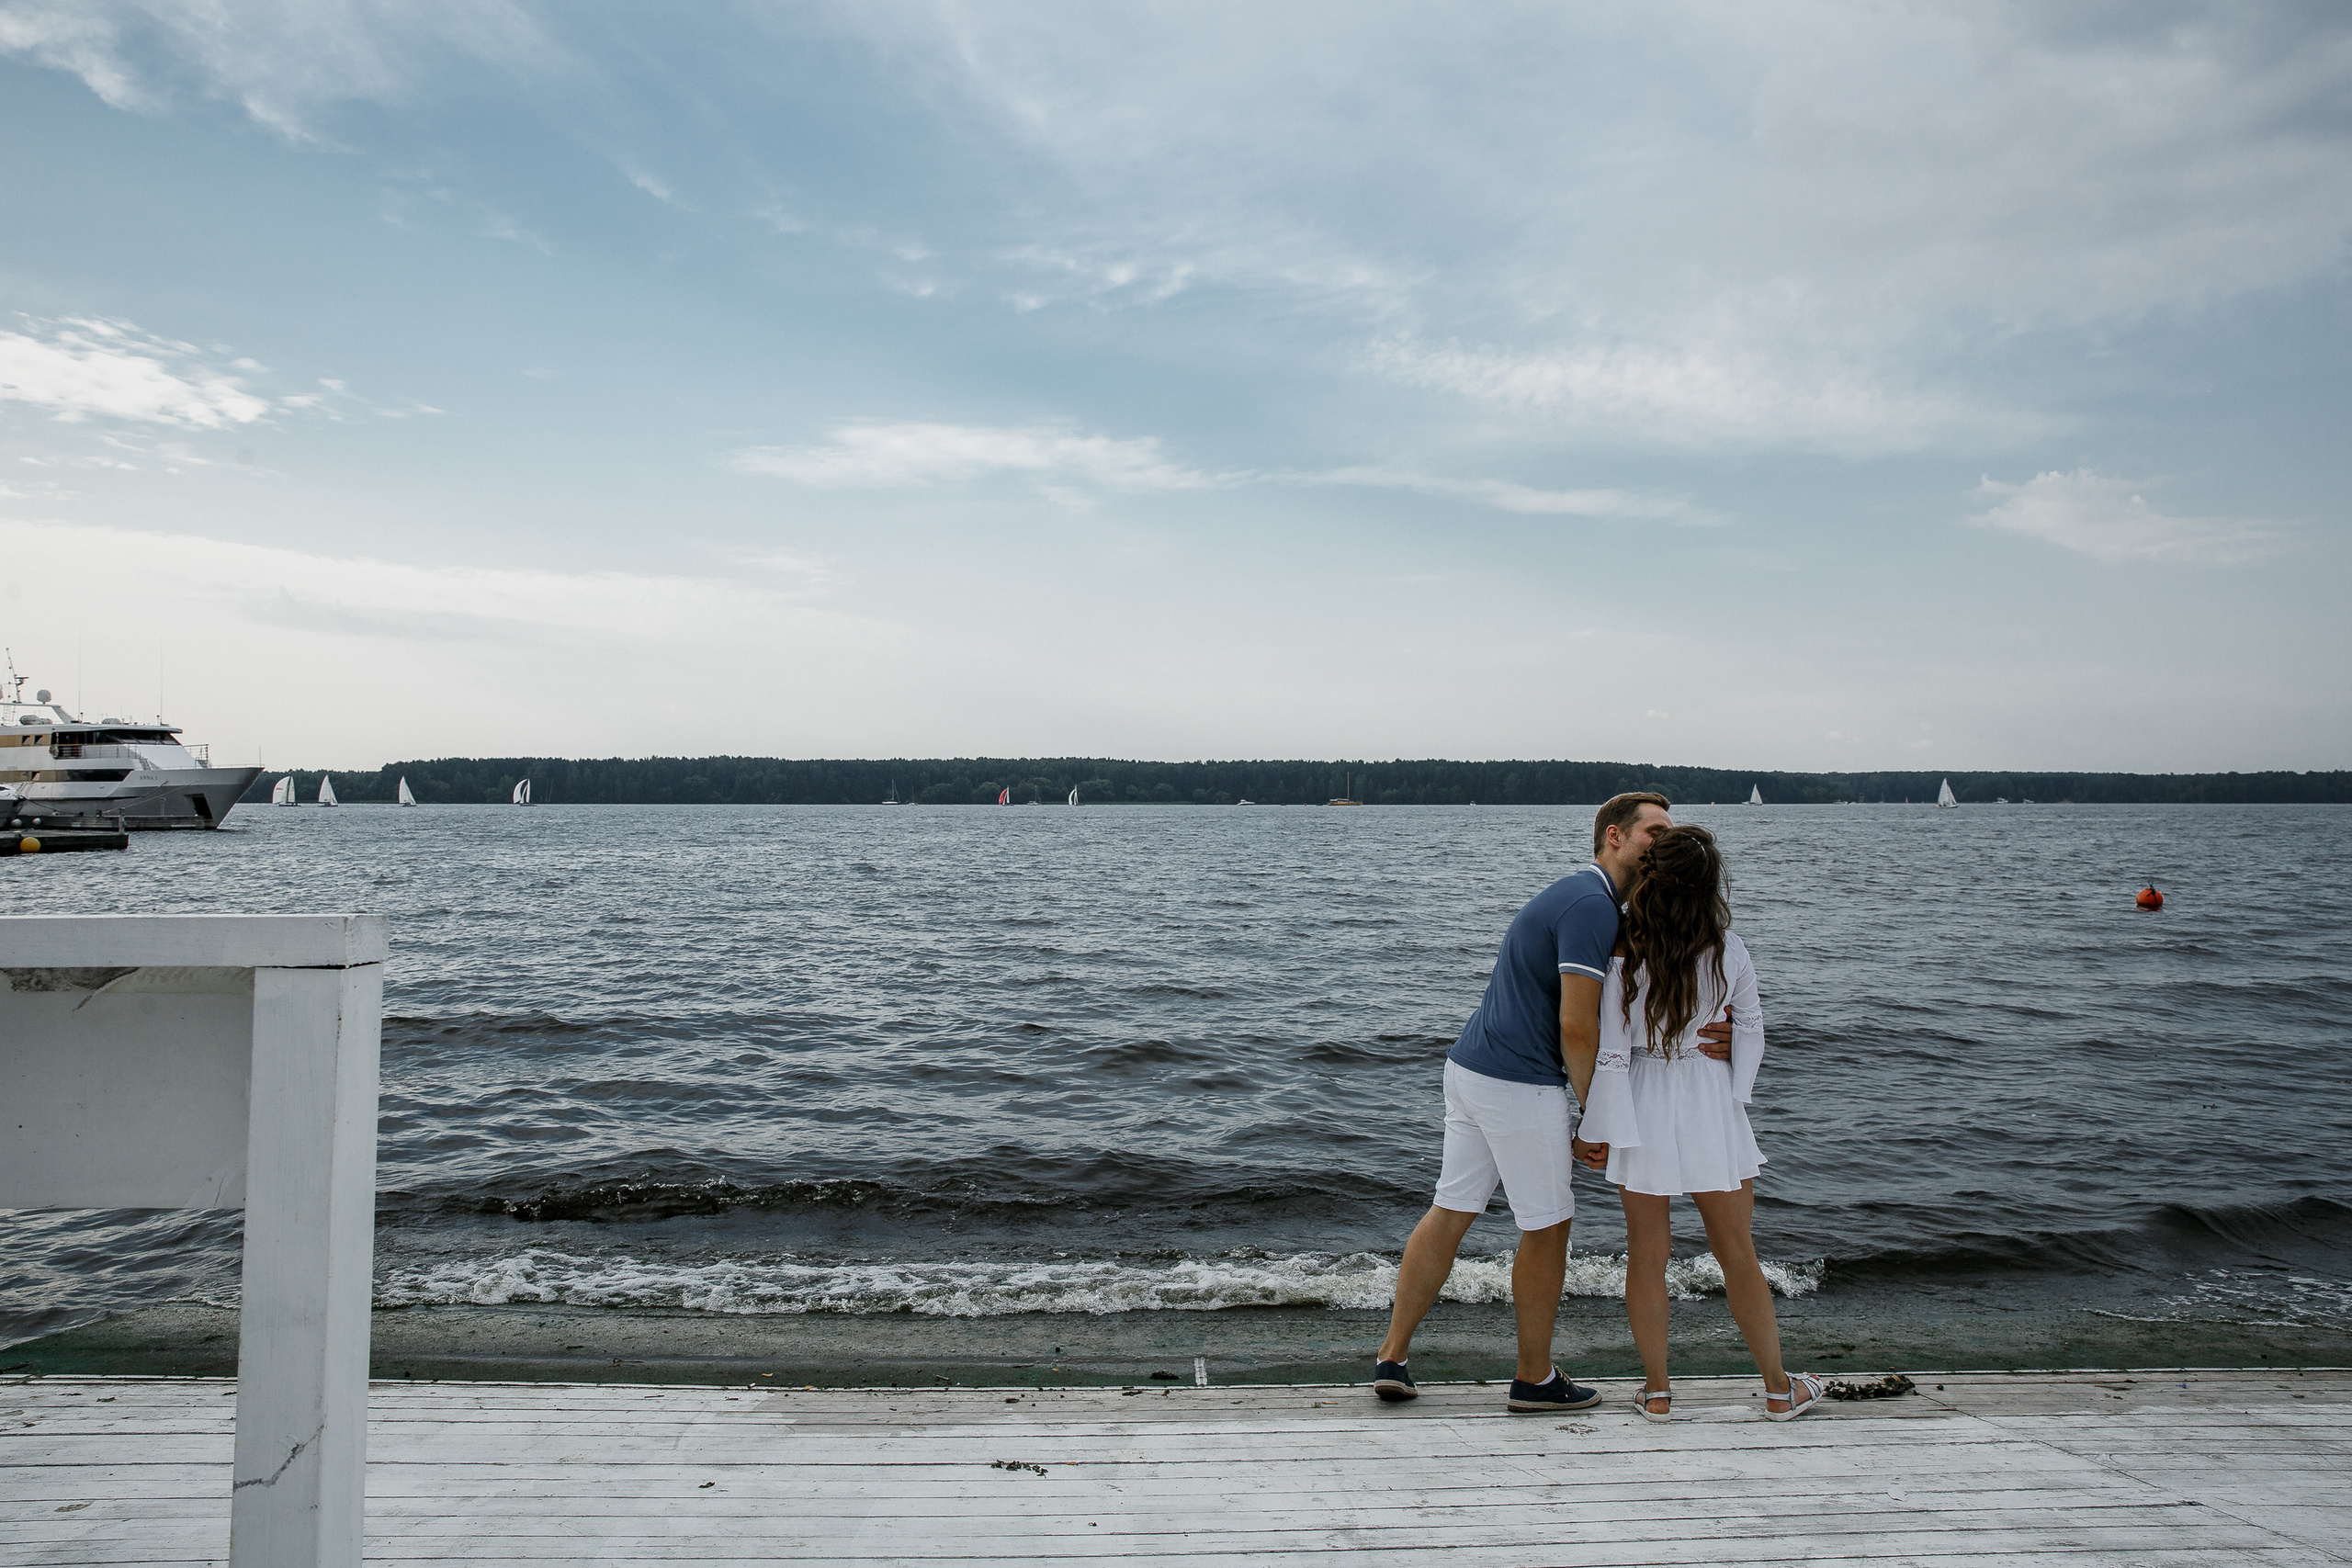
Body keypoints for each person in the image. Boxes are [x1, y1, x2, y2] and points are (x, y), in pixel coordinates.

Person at [1371, 792, 1732, 1411]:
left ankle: (1393, 1356)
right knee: (1549, 1223)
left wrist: (1731, 1029)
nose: (1665, 841)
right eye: (1655, 830)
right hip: (1519, 1079)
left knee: (1452, 1208)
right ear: (1614, 836)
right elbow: (1577, 1026)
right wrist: (1597, 1115)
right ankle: (1533, 1377)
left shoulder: (1583, 899)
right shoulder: (1592, 904)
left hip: (1470, 1067)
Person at [1575, 824, 1822, 1422]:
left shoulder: (1622, 949)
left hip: (1643, 1097)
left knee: (1646, 1254)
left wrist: (1595, 1124)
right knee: (1738, 1250)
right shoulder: (1728, 947)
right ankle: (1777, 1388)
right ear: (1711, 885)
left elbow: (1611, 1048)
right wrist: (1738, 1084)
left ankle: (1657, 1391)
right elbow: (1754, 1027)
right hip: (1710, 1099)